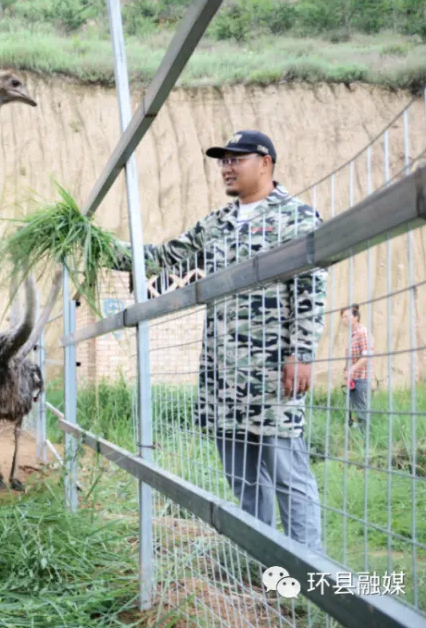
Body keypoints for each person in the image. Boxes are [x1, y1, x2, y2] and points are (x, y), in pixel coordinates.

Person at [114, 130, 327, 553]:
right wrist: (99, 247)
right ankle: (263, 557)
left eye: (237, 159)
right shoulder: (217, 224)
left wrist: (300, 353)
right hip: (223, 376)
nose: (226, 167)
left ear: (265, 162)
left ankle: (309, 571)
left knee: (288, 474)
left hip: (271, 374)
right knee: (242, 477)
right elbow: (163, 256)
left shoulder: (297, 217)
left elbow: (310, 291)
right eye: (222, 160)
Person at [341, 304, 371, 429]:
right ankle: (357, 433)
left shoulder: (362, 332)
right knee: (353, 408)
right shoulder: (352, 335)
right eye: (342, 317)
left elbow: (366, 356)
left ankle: (366, 437)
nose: (343, 319)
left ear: (356, 317)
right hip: (353, 379)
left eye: (347, 316)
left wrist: (352, 370)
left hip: (361, 379)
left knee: (361, 410)